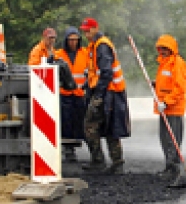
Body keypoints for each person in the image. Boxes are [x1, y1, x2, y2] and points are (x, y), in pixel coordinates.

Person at [80, 18, 131, 174]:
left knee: (92, 125)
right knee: (109, 127)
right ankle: (115, 162)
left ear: (96, 28)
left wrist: (98, 96)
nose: (86, 33)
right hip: (109, 91)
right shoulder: (96, 46)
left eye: (88, 30)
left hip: (109, 92)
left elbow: (106, 72)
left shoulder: (101, 46)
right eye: (85, 30)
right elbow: (96, 72)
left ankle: (101, 161)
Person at [154, 35, 186, 177]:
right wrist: (155, 85)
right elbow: (166, 83)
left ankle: (174, 168)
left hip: (173, 108)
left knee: (172, 139)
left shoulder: (178, 64)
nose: (162, 51)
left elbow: (180, 88)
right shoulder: (164, 63)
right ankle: (168, 167)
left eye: (165, 48)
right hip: (164, 108)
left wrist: (167, 102)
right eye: (161, 48)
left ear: (171, 48)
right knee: (164, 138)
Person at [53, 27, 90, 143]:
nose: (73, 42)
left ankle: (81, 142)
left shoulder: (85, 53)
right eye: (70, 39)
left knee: (81, 121)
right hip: (64, 94)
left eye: (75, 39)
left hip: (80, 94)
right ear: (66, 40)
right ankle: (69, 148)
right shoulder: (58, 54)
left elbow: (91, 71)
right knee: (66, 122)